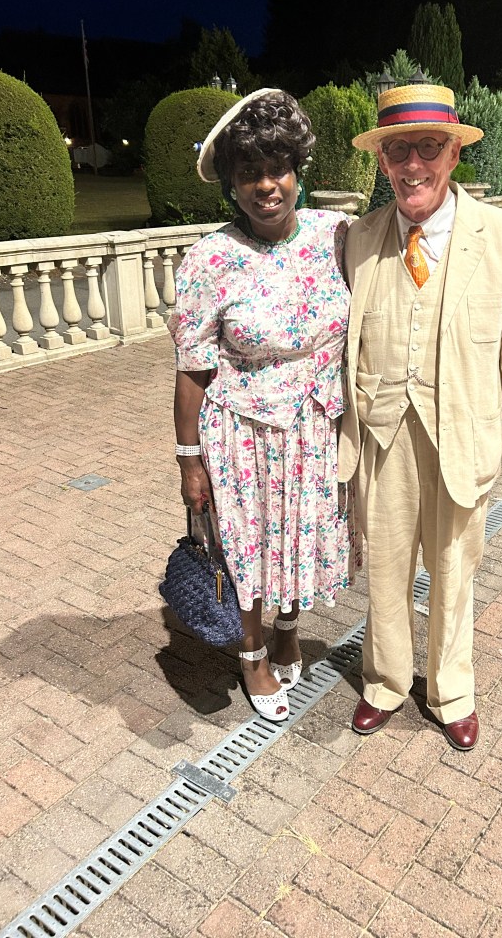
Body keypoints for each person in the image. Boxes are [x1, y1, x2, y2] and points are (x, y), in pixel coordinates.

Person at [338, 83, 502, 751]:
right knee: (385, 572)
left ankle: (452, 690)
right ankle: (384, 681)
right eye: (398, 150)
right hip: (380, 434)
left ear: (454, 154)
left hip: (461, 432)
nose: (413, 165)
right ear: (382, 161)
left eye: (429, 148)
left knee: (456, 570)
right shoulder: (359, 238)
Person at [168, 88, 360, 723]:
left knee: (300, 536)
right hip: (242, 433)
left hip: (315, 426)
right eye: (249, 173)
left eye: (277, 168)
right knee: (249, 545)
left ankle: (288, 630)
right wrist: (189, 460)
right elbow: (193, 368)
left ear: (297, 170)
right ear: (232, 184)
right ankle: (252, 654)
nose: (265, 186)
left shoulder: (337, 237)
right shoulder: (211, 259)